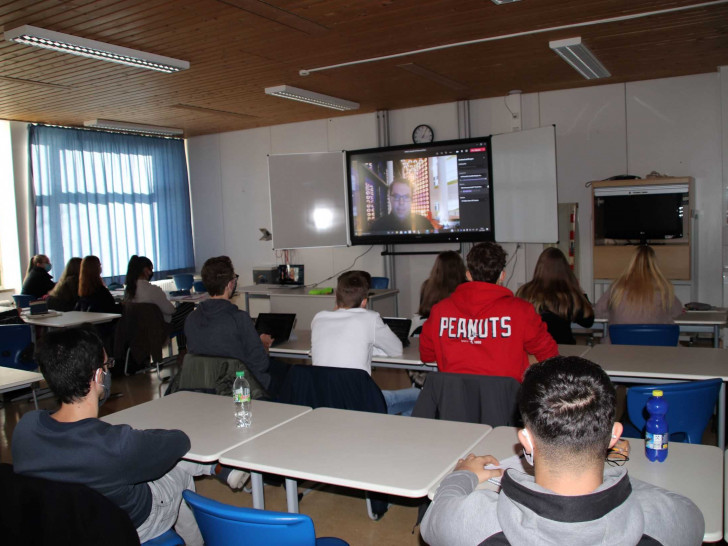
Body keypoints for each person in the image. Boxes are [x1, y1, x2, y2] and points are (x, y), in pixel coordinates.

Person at [420, 355, 705, 545]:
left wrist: (463, 475)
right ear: (614, 437)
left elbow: (432, 521)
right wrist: (604, 466)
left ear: (526, 442)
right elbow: (691, 515)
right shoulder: (666, 518)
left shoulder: (476, 521)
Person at [10, 328, 236, 545]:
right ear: (98, 375)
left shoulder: (25, 429)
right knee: (175, 466)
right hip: (132, 524)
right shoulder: (113, 445)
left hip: (62, 528)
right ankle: (199, 535)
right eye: (107, 365)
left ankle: (215, 470)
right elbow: (179, 441)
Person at [419, 242, 558, 382]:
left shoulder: (440, 311)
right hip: (505, 401)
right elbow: (549, 355)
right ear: (502, 275)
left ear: (468, 275)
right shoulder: (522, 311)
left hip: (456, 401)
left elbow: (427, 356)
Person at [310, 270, 420, 416]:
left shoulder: (318, 318)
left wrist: (365, 347)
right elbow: (396, 349)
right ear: (364, 301)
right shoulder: (370, 318)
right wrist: (369, 347)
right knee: (421, 396)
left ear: (336, 298)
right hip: (360, 403)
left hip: (324, 402)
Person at [185, 256, 287, 397]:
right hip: (240, 388)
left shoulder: (192, 318)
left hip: (205, 387)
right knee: (288, 374)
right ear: (230, 284)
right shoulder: (239, 319)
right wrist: (261, 345)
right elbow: (261, 364)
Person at [410, 250, 468, 386]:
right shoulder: (465, 287)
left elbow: (423, 310)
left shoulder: (427, 285)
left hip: (427, 333)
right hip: (453, 335)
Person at [516, 247, 594, 344]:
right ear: (565, 270)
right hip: (563, 348)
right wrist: (580, 292)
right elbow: (588, 322)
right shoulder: (570, 295)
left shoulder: (524, 291)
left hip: (534, 350)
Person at [594, 245, 683, 325]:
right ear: (655, 263)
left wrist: (613, 314)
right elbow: (677, 312)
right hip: (656, 341)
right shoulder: (663, 288)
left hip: (620, 341)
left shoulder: (618, 287)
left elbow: (598, 311)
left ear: (632, 261)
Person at [124, 255, 194, 349]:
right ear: (146, 270)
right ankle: (182, 350)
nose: (151, 272)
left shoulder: (128, 291)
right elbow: (170, 310)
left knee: (182, 318)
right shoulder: (152, 290)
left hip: (136, 330)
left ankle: (181, 351)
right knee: (187, 308)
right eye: (151, 269)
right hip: (158, 328)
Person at [369, 179, 433, 233]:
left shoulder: (425, 224)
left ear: (412, 199)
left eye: (406, 197)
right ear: (390, 198)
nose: (401, 202)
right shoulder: (377, 227)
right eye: (396, 196)